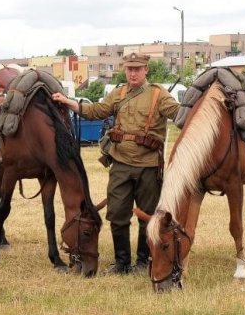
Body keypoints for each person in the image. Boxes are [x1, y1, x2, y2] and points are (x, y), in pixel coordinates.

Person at [52, 53, 180, 274]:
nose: (133, 73)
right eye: (129, 69)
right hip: (120, 163)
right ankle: (121, 263)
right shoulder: (118, 93)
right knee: (117, 214)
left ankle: (142, 262)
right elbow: (97, 111)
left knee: (147, 215)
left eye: (137, 69)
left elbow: (178, 113)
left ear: (146, 70)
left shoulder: (159, 95)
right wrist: (68, 102)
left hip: (148, 165)